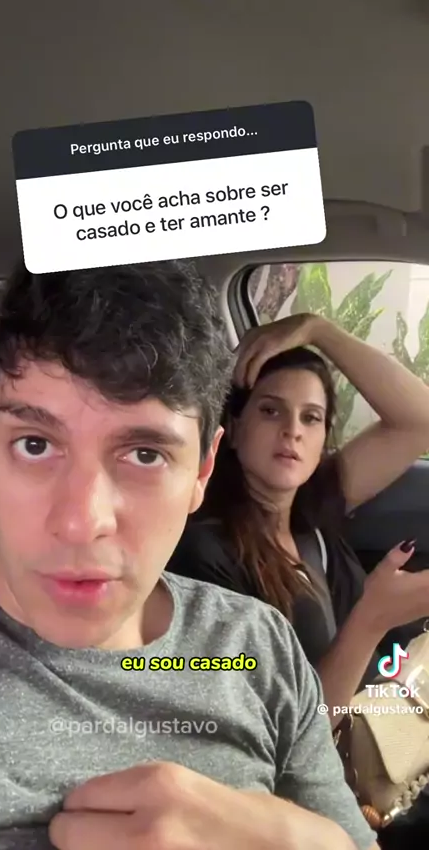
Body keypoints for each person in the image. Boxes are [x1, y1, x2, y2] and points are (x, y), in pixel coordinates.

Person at [0, 263, 378, 850]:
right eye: (35, 444)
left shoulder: (256, 647)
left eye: (145, 455)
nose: (81, 523)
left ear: (203, 470)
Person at [167, 311, 429, 726]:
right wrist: (372, 620)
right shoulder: (203, 556)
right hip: (344, 754)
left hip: (394, 722)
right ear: (233, 428)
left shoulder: (315, 506)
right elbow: (291, 733)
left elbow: (420, 421)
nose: (293, 431)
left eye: (311, 417)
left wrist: (319, 330)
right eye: (271, 411)